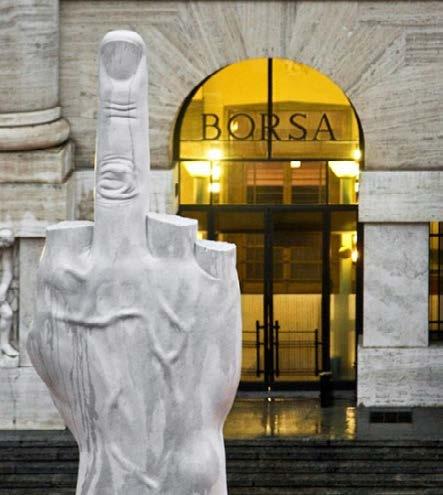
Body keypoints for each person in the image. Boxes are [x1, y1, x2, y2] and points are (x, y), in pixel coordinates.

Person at [0, 228, 18, 357]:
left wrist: (3, 289)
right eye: (2, 243)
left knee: (7, 313)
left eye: (6, 245)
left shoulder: (5, 248)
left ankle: (4, 344)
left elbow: (8, 272)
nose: (3, 247)